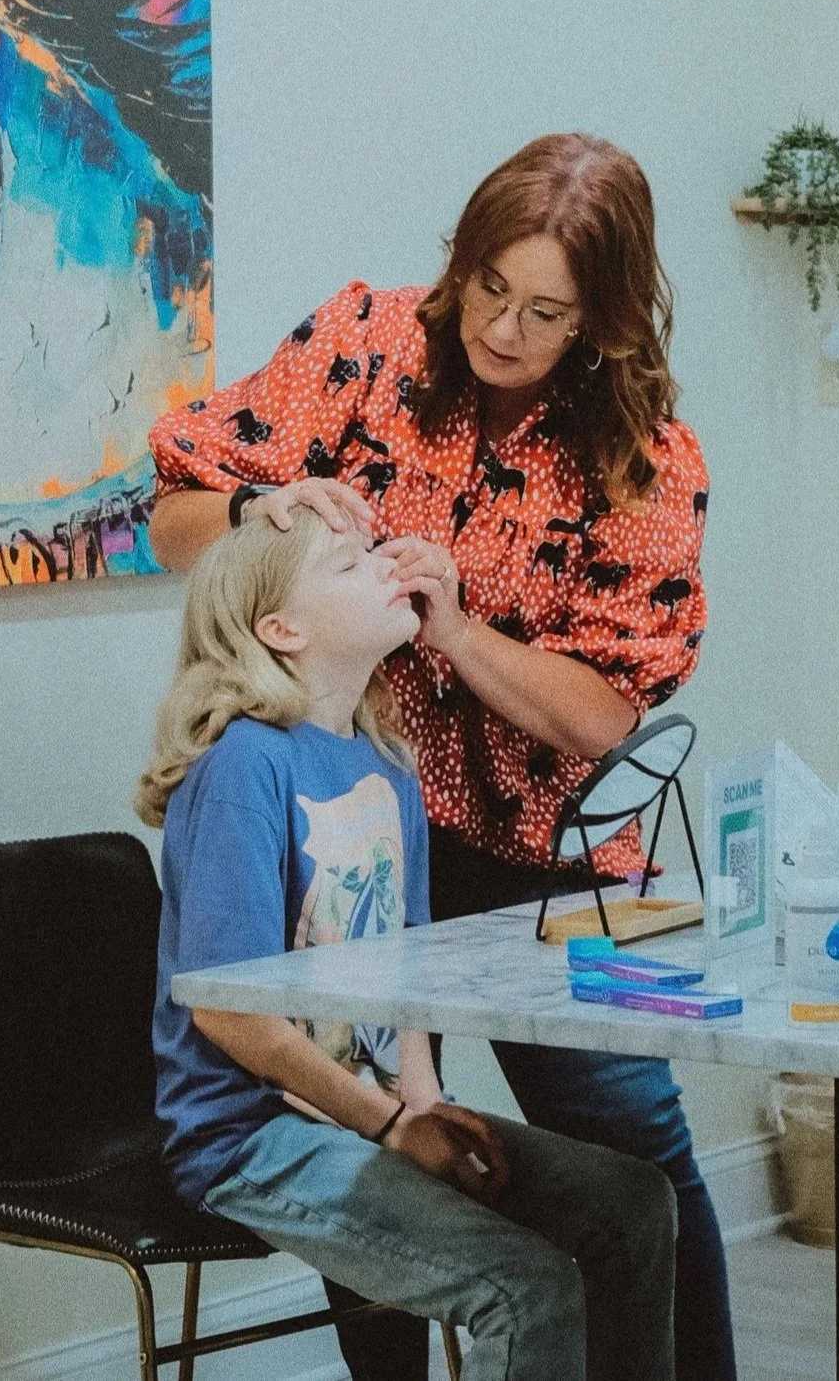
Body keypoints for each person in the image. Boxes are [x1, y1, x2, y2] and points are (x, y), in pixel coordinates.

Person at [147, 133, 735, 1381]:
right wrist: (267, 514)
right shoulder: (360, 348)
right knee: (383, 1163)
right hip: (348, 814)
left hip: (540, 863)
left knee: (637, 1160)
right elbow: (175, 514)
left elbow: (602, 720)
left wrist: (457, 632)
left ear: (602, 324)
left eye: (546, 313)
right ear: (458, 265)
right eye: (487, 290)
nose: (505, 330)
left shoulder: (642, 461)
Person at [141, 510, 677, 1381]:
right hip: (252, 1136)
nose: (391, 562)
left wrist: (423, 1109)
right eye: (353, 562)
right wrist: (392, 1126)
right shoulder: (245, 766)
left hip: (374, 1111)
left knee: (634, 1202)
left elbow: (407, 980)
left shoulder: (388, 764)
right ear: (282, 629)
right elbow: (230, 1011)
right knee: (528, 1287)